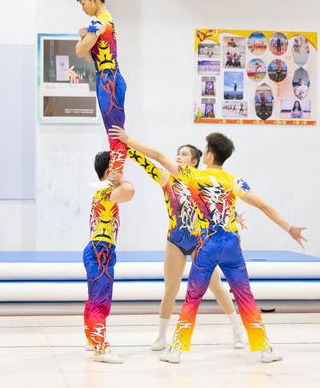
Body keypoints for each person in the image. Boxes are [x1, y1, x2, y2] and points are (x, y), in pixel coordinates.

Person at [109, 127, 307, 364]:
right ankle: (265, 349)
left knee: (193, 297)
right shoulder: (234, 181)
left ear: (210, 155)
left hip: (207, 244)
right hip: (232, 245)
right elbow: (263, 205)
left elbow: (159, 157)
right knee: (245, 296)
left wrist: (128, 140)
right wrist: (289, 228)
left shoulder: (193, 176)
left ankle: (176, 350)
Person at [128, 146, 246, 351]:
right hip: (175, 240)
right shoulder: (166, 177)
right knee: (170, 289)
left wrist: (234, 217)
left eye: (184, 154)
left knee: (216, 286)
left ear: (194, 162)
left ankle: (237, 330)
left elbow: (216, 204)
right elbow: (145, 162)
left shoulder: (200, 181)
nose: (178, 156)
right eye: (178, 153)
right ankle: (161, 337)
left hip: (200, 241)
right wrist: (128, 148)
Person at [83, 151, 135, 364]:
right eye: (118, 167)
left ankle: (92, 339)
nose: (122, 171)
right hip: (100, 251)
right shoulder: (105, 191)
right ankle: (100, 349)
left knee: (94, 299)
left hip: (99, 249)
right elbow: (130, 191)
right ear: (108, 171)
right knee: (100, 301)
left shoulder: (102, 191)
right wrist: (120, 179)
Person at [75, 0, 127, 188]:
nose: (83, 8)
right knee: (113, 132)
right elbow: (89, 56)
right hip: (107, 79)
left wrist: (83, 36)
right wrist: (84, 37)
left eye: (83, 3)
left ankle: (115, 176)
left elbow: (80, 51)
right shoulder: (104, 21)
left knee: (115, 133)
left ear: (94, 0)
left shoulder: (100, 22)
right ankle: (115, 174)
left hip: (109, 81)